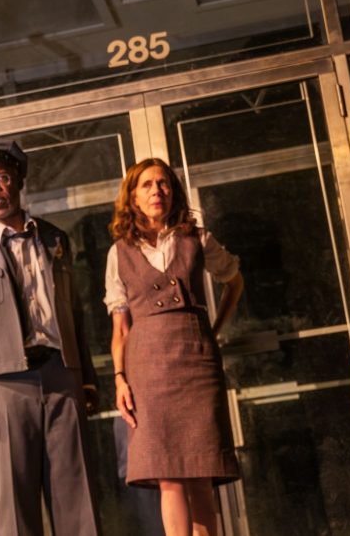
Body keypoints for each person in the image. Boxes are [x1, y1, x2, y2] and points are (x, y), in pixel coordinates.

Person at [0, 138, 100, 536]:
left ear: (18, 181)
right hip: (1, 387)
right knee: (14, 506)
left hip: (61, 375)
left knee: (78, 500)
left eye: (2, 177)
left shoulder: (54, 238)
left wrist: (87, 375)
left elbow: (75, 313)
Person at [105, 157, 245, 536]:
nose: (157, 191)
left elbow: (234, 280)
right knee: (168, 475)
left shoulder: (196, 238)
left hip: (196, 367)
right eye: (147, 185)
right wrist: (119, 379)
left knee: (201, 473)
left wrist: (212, 329)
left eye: (163, 183)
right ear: (132, 197)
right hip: (148, 371)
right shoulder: (119, 252)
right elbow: (120, 327)